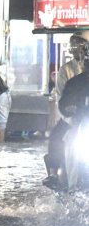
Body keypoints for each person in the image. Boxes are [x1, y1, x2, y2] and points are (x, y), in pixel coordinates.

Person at [43, 33, 86, 187]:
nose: (78, 49)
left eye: (81, 45)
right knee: (56, 137)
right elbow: (62, 96)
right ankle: (53, 174)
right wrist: (69, 112)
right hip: (73, 117)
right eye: (75, 45)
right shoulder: (67, 71)